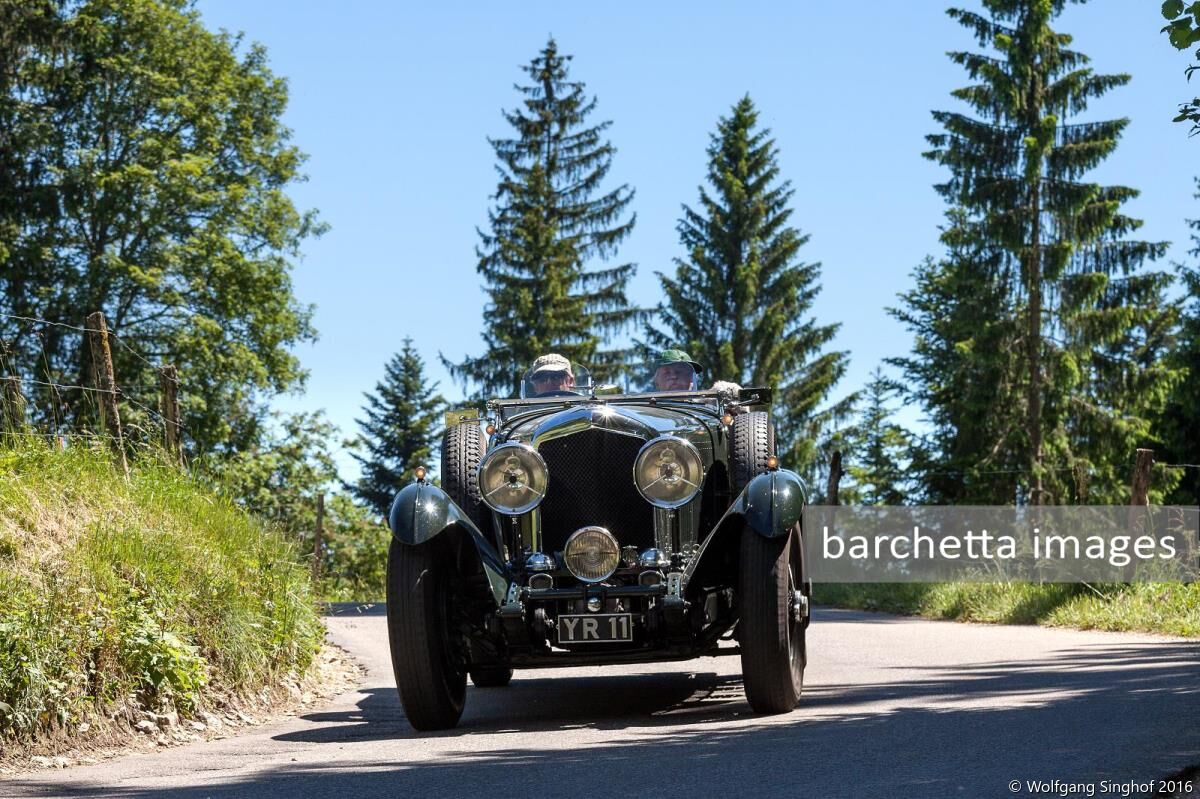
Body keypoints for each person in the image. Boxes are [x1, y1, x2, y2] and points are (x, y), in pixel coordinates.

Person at [653, 349, 741, 396]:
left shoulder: (708, 410)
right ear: (656, 380)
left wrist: (731, 393)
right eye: (666, 372)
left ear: (691, 378)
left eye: (680, 371)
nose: (674, 376)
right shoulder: (646, 414)